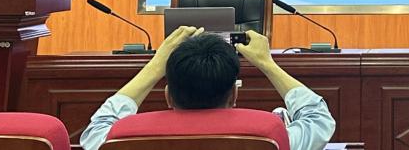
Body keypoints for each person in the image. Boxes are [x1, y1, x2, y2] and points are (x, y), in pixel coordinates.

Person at [80, 27, 336, 150]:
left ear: (168, 96)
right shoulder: (269, 135)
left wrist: (156, 65)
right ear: (234, 95)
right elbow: (318, 117)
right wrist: (267, 64)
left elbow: (96, 128)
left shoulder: (122, 139)